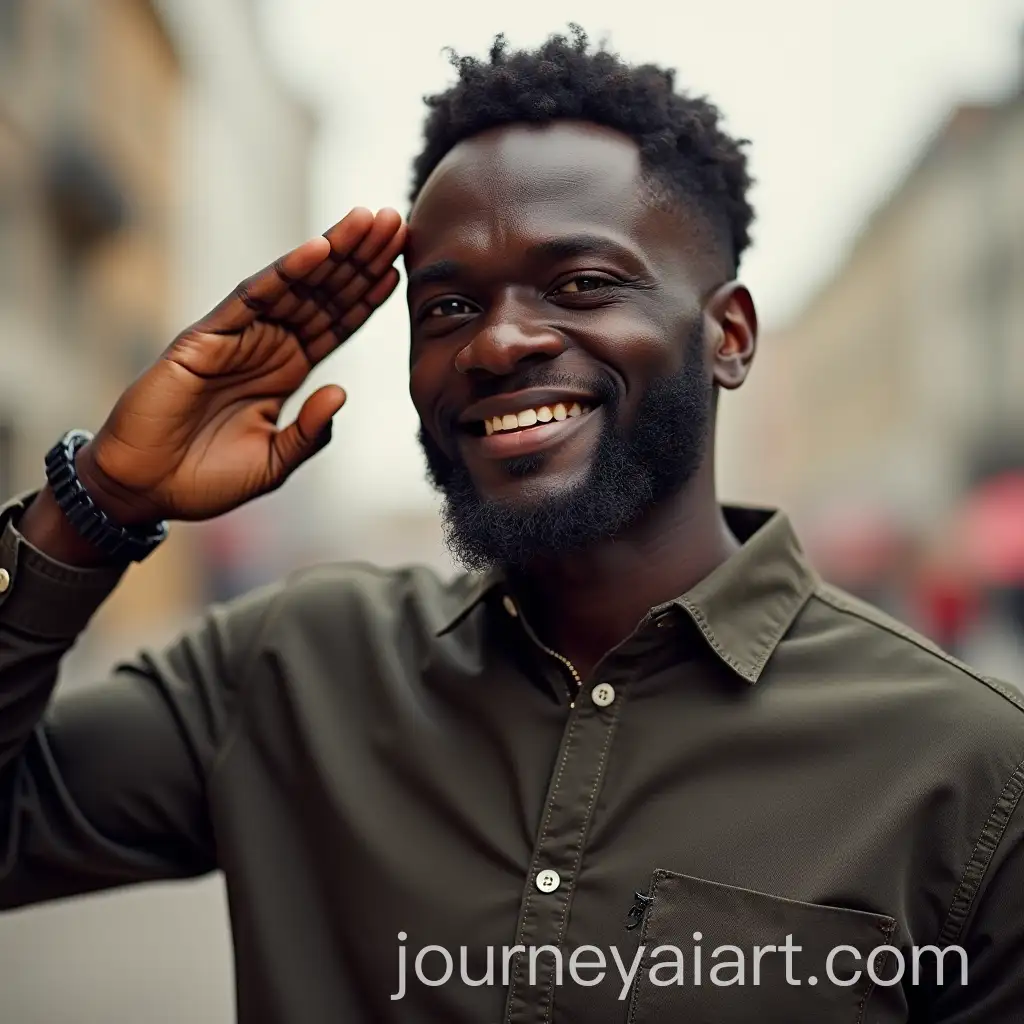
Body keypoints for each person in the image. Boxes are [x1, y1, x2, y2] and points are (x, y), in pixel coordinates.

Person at [1, 27, 1022, 1024]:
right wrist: (93, 507)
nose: (497, 343)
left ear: (728, 334)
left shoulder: (968, 769)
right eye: (445, 308)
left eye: (580, 283)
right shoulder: (289, 667)